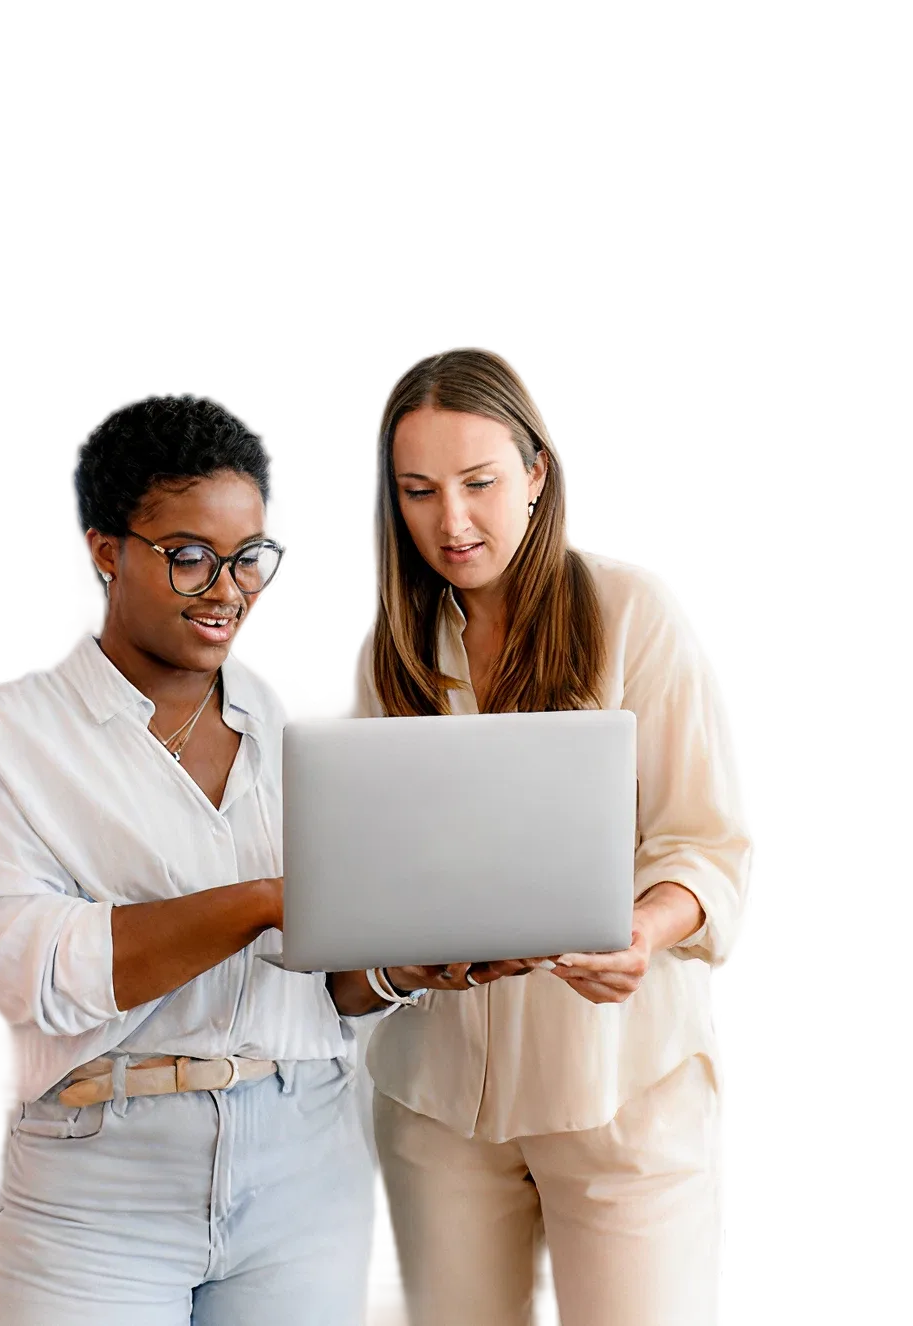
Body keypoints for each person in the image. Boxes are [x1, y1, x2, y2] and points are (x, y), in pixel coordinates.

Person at [317, 346, 753, 1326]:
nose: (452, 523)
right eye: (419, 492)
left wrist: (641, 932)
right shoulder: (395, 653)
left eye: (478, 484)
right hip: (438, 1102)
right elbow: (371, 860)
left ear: (536, 475)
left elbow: (708, 845)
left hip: (619, 1090)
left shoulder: (633, 613)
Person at [0, 392, 378, 1326]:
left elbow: (328, 981)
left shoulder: (298, 723)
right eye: (189, 558)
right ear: (104, 551)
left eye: (251, 558)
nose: (228, 590)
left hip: (306, 1162)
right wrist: (258, 901)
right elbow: (35, 973)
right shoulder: (4, 737)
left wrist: (404, 965)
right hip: (96, 1185)